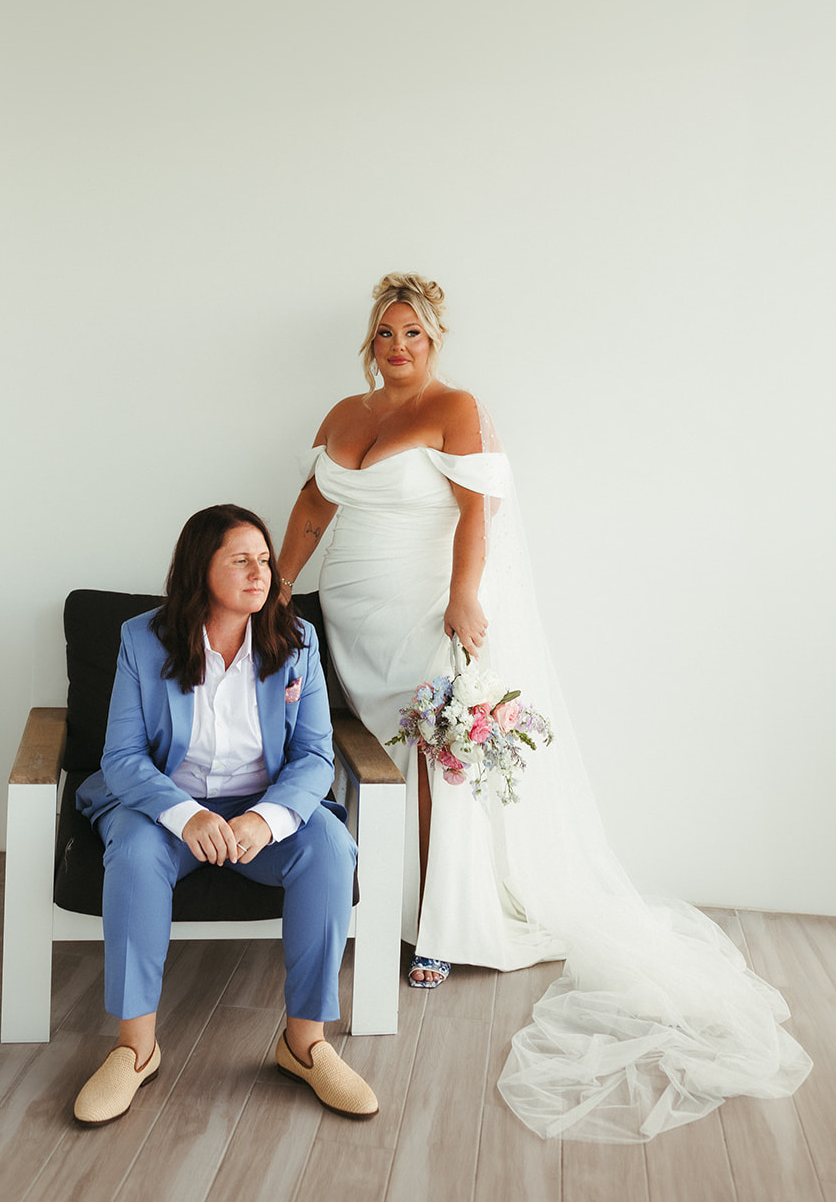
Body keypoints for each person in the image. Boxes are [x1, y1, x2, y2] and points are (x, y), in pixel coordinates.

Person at [277, 273, 811, 1142]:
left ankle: (434, 926)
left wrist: (462, 596)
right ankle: (365, 899)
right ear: (369, 343)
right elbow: (309, 503)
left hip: (420, 611)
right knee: (358, 757)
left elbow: (475, 511)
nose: (398, 345)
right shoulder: (342, 414)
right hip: (349, 613)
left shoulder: (457, 405)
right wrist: (284, 585)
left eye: (412, 331)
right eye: (385, 333)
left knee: (426, 758)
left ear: (434, 338)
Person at [73, 505, 378, 1126]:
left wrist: (265, 819)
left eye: (264, 559)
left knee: (329, 845)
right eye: (240, 559)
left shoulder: (297, 640)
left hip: (262, 812)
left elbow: (317, 755)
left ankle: (305, 1045)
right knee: (131, 853)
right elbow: (123, 757)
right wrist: (186, 815)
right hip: (163, 810)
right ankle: (135, 1049)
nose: (259, 572)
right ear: (199, 569)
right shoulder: (142, 638)